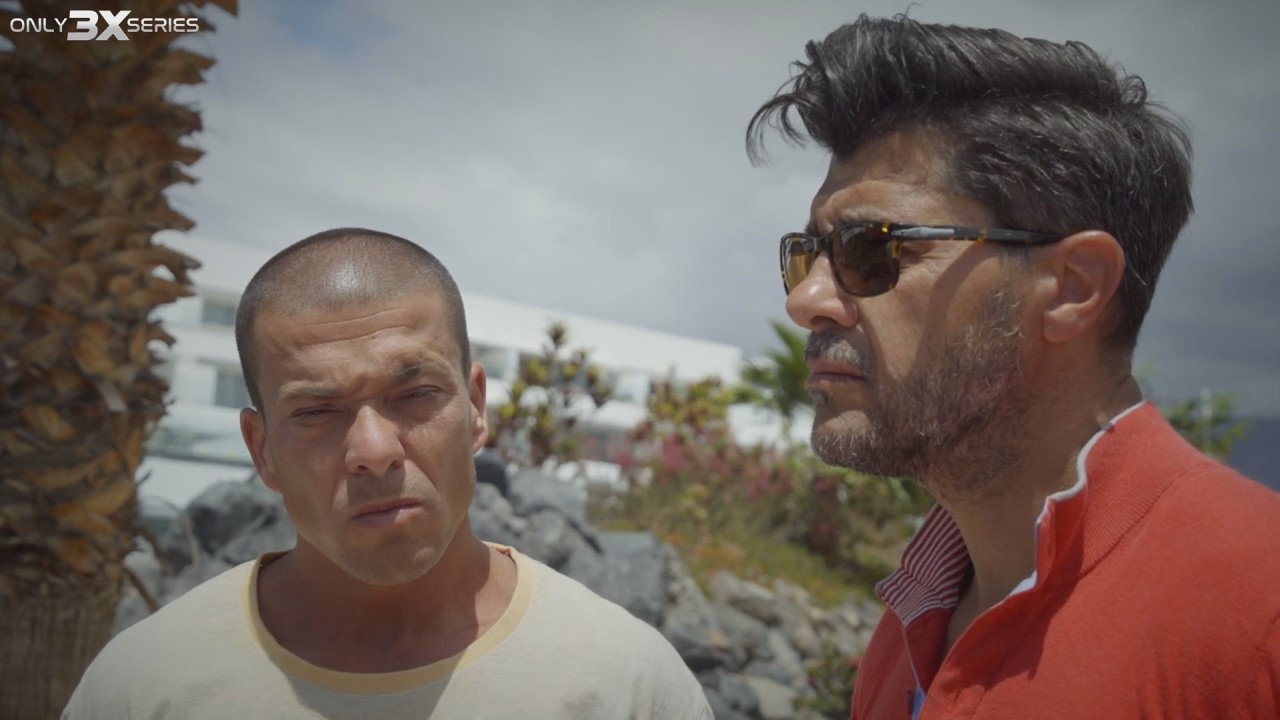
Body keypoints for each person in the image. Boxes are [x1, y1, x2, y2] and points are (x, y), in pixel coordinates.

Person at [747, 15, 1279, 719]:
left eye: (871, 249)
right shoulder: (912, 624)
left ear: (1073, 287)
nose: (807, 301)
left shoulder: (1257, 615)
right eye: (807, 254)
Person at [65, 228, 712, 719]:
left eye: (416, 394)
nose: (373, 451)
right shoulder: (143, 688)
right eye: (317, 412)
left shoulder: (627, 684)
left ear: (476, 408)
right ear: (262, 450)